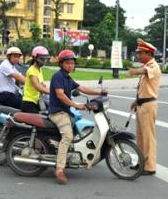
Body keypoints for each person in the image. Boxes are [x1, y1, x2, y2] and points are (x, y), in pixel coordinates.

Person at [49, 50, 107, 184]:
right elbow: (60, 95)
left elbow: (82, 88)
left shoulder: (68, 78)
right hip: (57, 113)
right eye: (67, 63)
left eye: (72, 63)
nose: (70, 65)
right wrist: (76, 105)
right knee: (68, 136)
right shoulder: (58, 77)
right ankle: (59, 169)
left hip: (66, 112)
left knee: (77, 130)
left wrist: (99, 93)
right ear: (61, 64)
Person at [128, 39, 161, 176]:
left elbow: (143, 71)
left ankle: (150, 166)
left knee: (148, 137)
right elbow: (144, 88)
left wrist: (133, 71)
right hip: (142, 104)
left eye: (140, 53)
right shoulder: (147, 65)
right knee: (141, 138)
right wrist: (136, 101)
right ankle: (142, 163)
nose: (138, 56)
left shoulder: (153, 66)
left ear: (148, 53)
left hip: (148, 105)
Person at [21, 46, 50, 113]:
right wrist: (52, 92)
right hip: (29, 103)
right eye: (42, 59)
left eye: (45, 59)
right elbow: (37, 87)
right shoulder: (32, 70)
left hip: (36, 101)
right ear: (34, 57)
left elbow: (42, 85)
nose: (44, 61)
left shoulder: (39, 69)